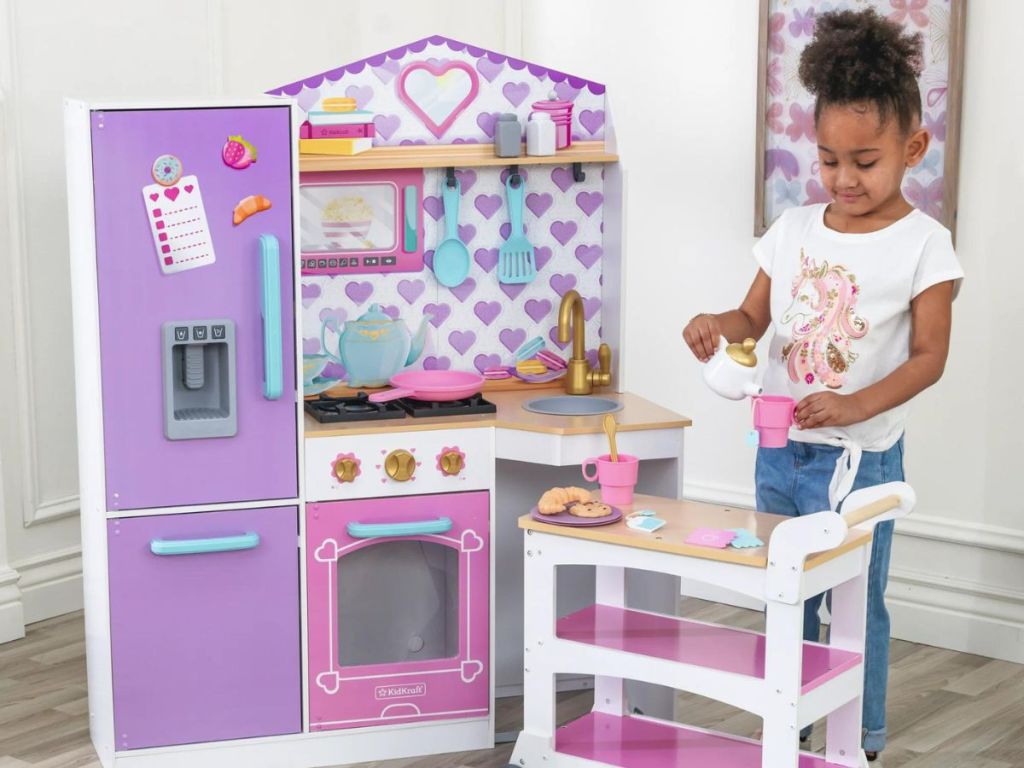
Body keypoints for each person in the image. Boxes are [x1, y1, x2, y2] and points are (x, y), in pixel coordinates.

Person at [682, 8, 963, 761]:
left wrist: (856, 404)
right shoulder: (795, 229)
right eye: (829, 159)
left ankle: (859, 738)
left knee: (852, 604)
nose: (843, 179)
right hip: (781, 448)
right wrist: (719, 323)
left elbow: (930, 356)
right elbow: (751, 314)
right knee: (786, 593)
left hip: (860, 461)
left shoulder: (925, 247)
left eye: (865, 161)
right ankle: (791, 724)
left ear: (912, 148)